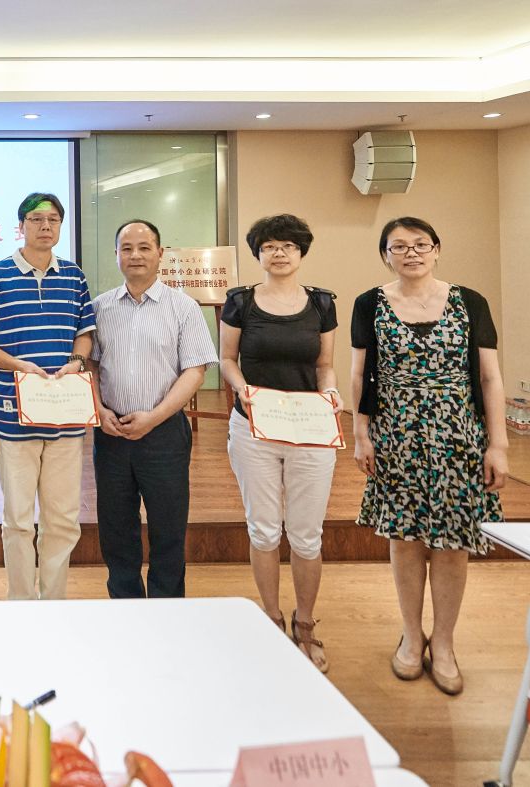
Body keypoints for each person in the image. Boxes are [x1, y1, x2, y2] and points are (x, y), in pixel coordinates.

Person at [351, 216, 507, 696]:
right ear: (385, 256)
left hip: (459, 438)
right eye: (399, 246)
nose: (411, 253)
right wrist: (361, 434)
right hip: (396, 437)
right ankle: (411, 635)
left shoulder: (470, 301)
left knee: (452, 544)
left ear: (437, 249)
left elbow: (490, 378)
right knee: (404, 540)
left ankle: (443, 642)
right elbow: (359, 375)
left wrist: (498, 443)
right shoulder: (369, 303)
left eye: (421, 244)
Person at [219, 214, 339, 672]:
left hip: (310, 429)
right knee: (264, 529)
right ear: (259, 254)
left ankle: (305, 623)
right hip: (254, 427)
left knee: (307, 535)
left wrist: (331, 393)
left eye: (288, 245)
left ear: (301, 252)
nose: (279, 253)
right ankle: (270, 617)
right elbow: (227, 358)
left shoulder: (322, 303)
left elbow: (325, 365)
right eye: (269, 246)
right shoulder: (240, 301)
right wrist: (242, 389)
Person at [0, 193, 95, 600]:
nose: (45, 226)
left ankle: (53, 602)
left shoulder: (74, 276)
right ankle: (21, 602)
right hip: (13, 419)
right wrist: (17, 365)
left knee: (63, 520)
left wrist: (76, 361)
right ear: (20, 225)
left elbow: (85, 333)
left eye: (53, 219)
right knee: (19, 521)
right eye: (36, 219)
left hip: (66, 419)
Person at [90, 219, 217, 600]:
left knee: (168, 527)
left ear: (160, 253)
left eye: (144, 247)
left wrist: (154, 417)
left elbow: (195, 371)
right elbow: (90, 365)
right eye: (127, 248)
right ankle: (125, 605)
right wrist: (98, 410)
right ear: (116, 255)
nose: (135, 255)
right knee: (116, 528)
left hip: (163, 433)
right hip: (111, 432)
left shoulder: (183, 307)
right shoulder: (100, 308)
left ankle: (167, 609)